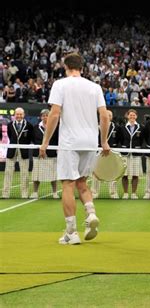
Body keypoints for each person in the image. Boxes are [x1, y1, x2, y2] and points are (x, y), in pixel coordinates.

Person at [40, 52, 110, 245]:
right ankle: (91, 214)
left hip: (70, 143)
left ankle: (71, 232)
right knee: (82, 183)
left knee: (68, 185)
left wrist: (45, 142)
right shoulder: (94, 87)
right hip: (90, 142)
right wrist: (103, 141)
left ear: (66, 67)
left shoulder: (60, 85)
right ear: (82, 67)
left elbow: (54, 115)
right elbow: (104, 117)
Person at [2, 107, 34, 199]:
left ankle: (24, 194)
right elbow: (10, 136)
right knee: (8, 172)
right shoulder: (10, 125)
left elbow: (30, 138)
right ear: (14, 115)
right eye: (17, 114)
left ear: (23, 115)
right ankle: (5, 194)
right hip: (11, 151)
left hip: (24, 152)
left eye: (21, 114)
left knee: (25, 174)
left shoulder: (29, 125)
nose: (19, 116)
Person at [91, 110, 121, 199]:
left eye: (110, 115)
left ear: (111, 117)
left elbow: (119, 139)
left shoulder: (117, 127)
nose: (108, 116)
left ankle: (113, 193)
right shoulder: (95, 127)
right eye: (106, 115)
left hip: (111, 153)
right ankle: (94, 193)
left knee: (113, 173)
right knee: (96, 173)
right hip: (98, 153)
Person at [31, 109, 59, 199]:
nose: (45, 117)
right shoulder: (35, 127)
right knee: (36, 175)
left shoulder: (56, 127)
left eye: (47, 115)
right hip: (38, 155)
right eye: (43, 115)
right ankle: (35, 192)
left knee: (53, 176)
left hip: (51, 154)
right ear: (41, 117)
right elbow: (33, 139)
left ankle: (55, 193)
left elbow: (58, 139)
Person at [119, 109, 143, 199]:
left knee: (135, 174)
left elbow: (141, 140)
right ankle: (125, 193)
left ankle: (133, 193)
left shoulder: (140, 127)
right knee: (124, 174)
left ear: (136, 116)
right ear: (127, 116)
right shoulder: (122, 127)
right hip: (125, 154)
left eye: (134, 115)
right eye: (130, 115)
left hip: (136, 154)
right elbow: (121, 139)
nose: (132, 117)